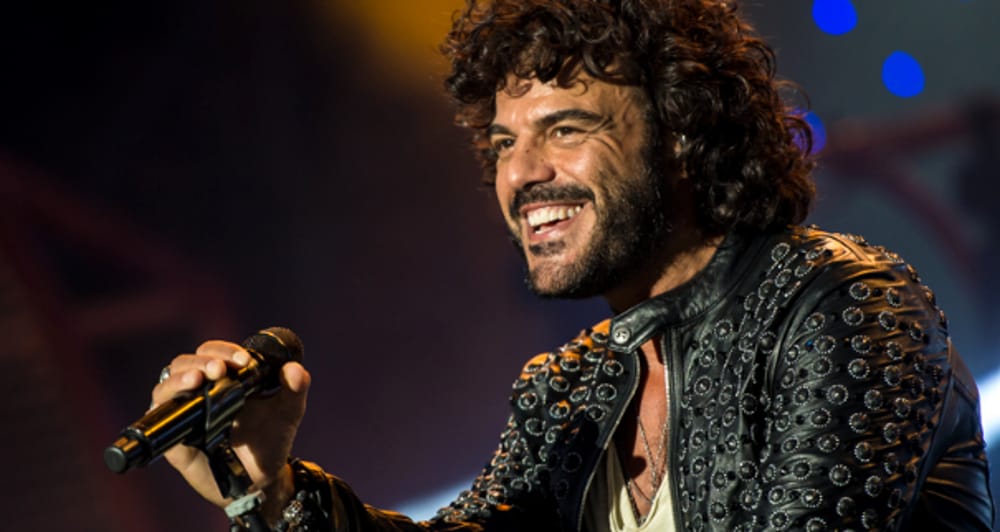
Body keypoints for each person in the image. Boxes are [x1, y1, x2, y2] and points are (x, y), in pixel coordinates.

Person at [150, 0, 996, 530]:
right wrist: (269, 492)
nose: (520, 175)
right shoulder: (573, 389)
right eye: (502, 144)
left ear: (682, 133)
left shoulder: (844, 309)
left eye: (564, 129)